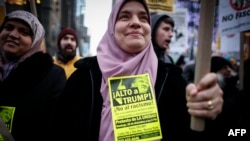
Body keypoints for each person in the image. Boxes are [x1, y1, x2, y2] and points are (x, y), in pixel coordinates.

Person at [53, 0, 224, 140]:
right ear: (112, 27)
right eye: (125, 16)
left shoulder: (171, 79)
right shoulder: (83, 77)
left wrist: (206, 111)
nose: (135, 22)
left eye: (143, 18)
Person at [0, 10, 67, 141]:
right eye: (8, 28)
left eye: (24, 32)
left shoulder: (52, 76)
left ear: (36, 40)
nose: (13, 35)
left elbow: (56, 128)